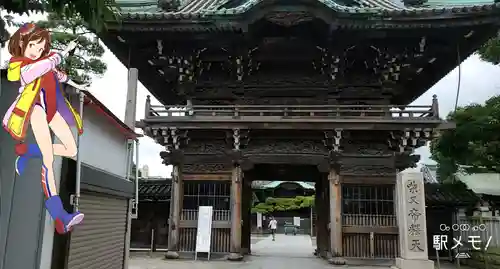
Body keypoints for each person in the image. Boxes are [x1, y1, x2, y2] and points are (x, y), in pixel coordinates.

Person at [3, 23, 88, 234]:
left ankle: (28, 151)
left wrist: (63, 76)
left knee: (71, 150)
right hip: (35, 110)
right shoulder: (18, 64)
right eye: (33, 45)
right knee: (48, 160)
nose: (37, 51)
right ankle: (60, 217)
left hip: (51, 109)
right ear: (22, 43)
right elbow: (28, 74)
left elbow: (55, 74)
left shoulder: (45, 62)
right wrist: (52, 59)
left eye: (41, 48)